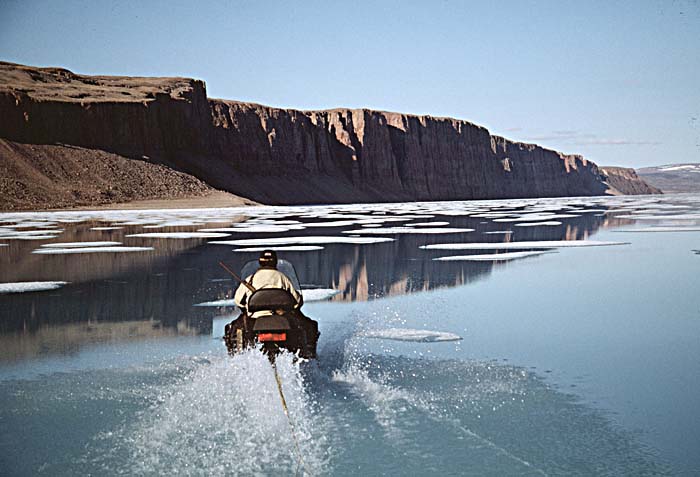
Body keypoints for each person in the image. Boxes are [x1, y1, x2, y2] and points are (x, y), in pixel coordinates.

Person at [233, 249, 302, 318]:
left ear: (260, 262)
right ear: (275, 262)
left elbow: (238, 300)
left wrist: (246, 307)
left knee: (233, 327)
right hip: (282, 319)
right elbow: (296, 301)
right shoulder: (283, 278)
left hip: (254, 318)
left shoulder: (250, 279)